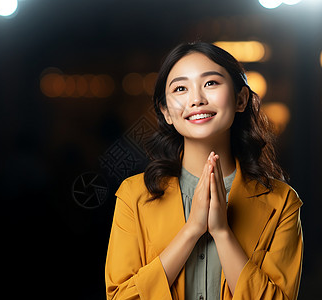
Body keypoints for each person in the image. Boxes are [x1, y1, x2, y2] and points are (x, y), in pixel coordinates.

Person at [105, 42, 303, 300]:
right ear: (165, 111)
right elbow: (121, 297)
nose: (196, 99)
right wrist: (192, 230)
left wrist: (222, 233)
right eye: (180, 88)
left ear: (241, 99)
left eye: (210, 83)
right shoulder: (134, 197)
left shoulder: (282, 202)